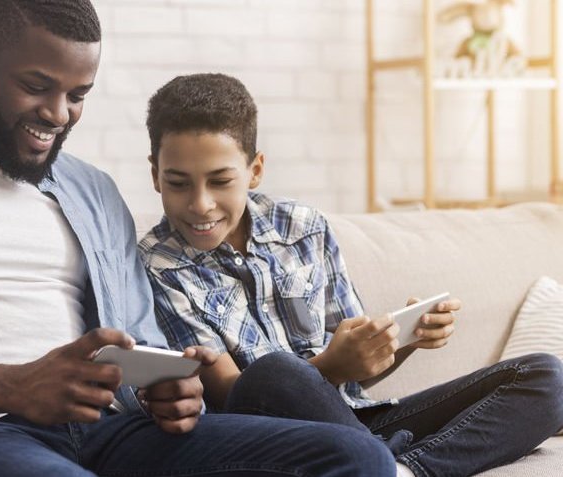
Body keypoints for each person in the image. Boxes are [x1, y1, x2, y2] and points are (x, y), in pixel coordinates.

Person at [0, 2, 398, 477]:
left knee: (354, 458)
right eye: (37, 86)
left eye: (78, 95)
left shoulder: (92, 191)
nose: (59, 113)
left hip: (113, 431)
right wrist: (14, 385)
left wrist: (166, 388)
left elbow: (142, 342)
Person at [138, 72, 563, 477]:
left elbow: (357, 367)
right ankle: (380, 459)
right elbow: (237, 396)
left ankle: (400, 468)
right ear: (155, 174)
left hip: (361, 419)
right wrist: (329, 366)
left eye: (220, 181)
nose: (201, 204)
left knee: (546, 376)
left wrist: (399, 341)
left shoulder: (303, 228)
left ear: (255, 170)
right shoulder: (156, 265)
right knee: (273, 373)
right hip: (272, 437)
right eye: (179, 183)